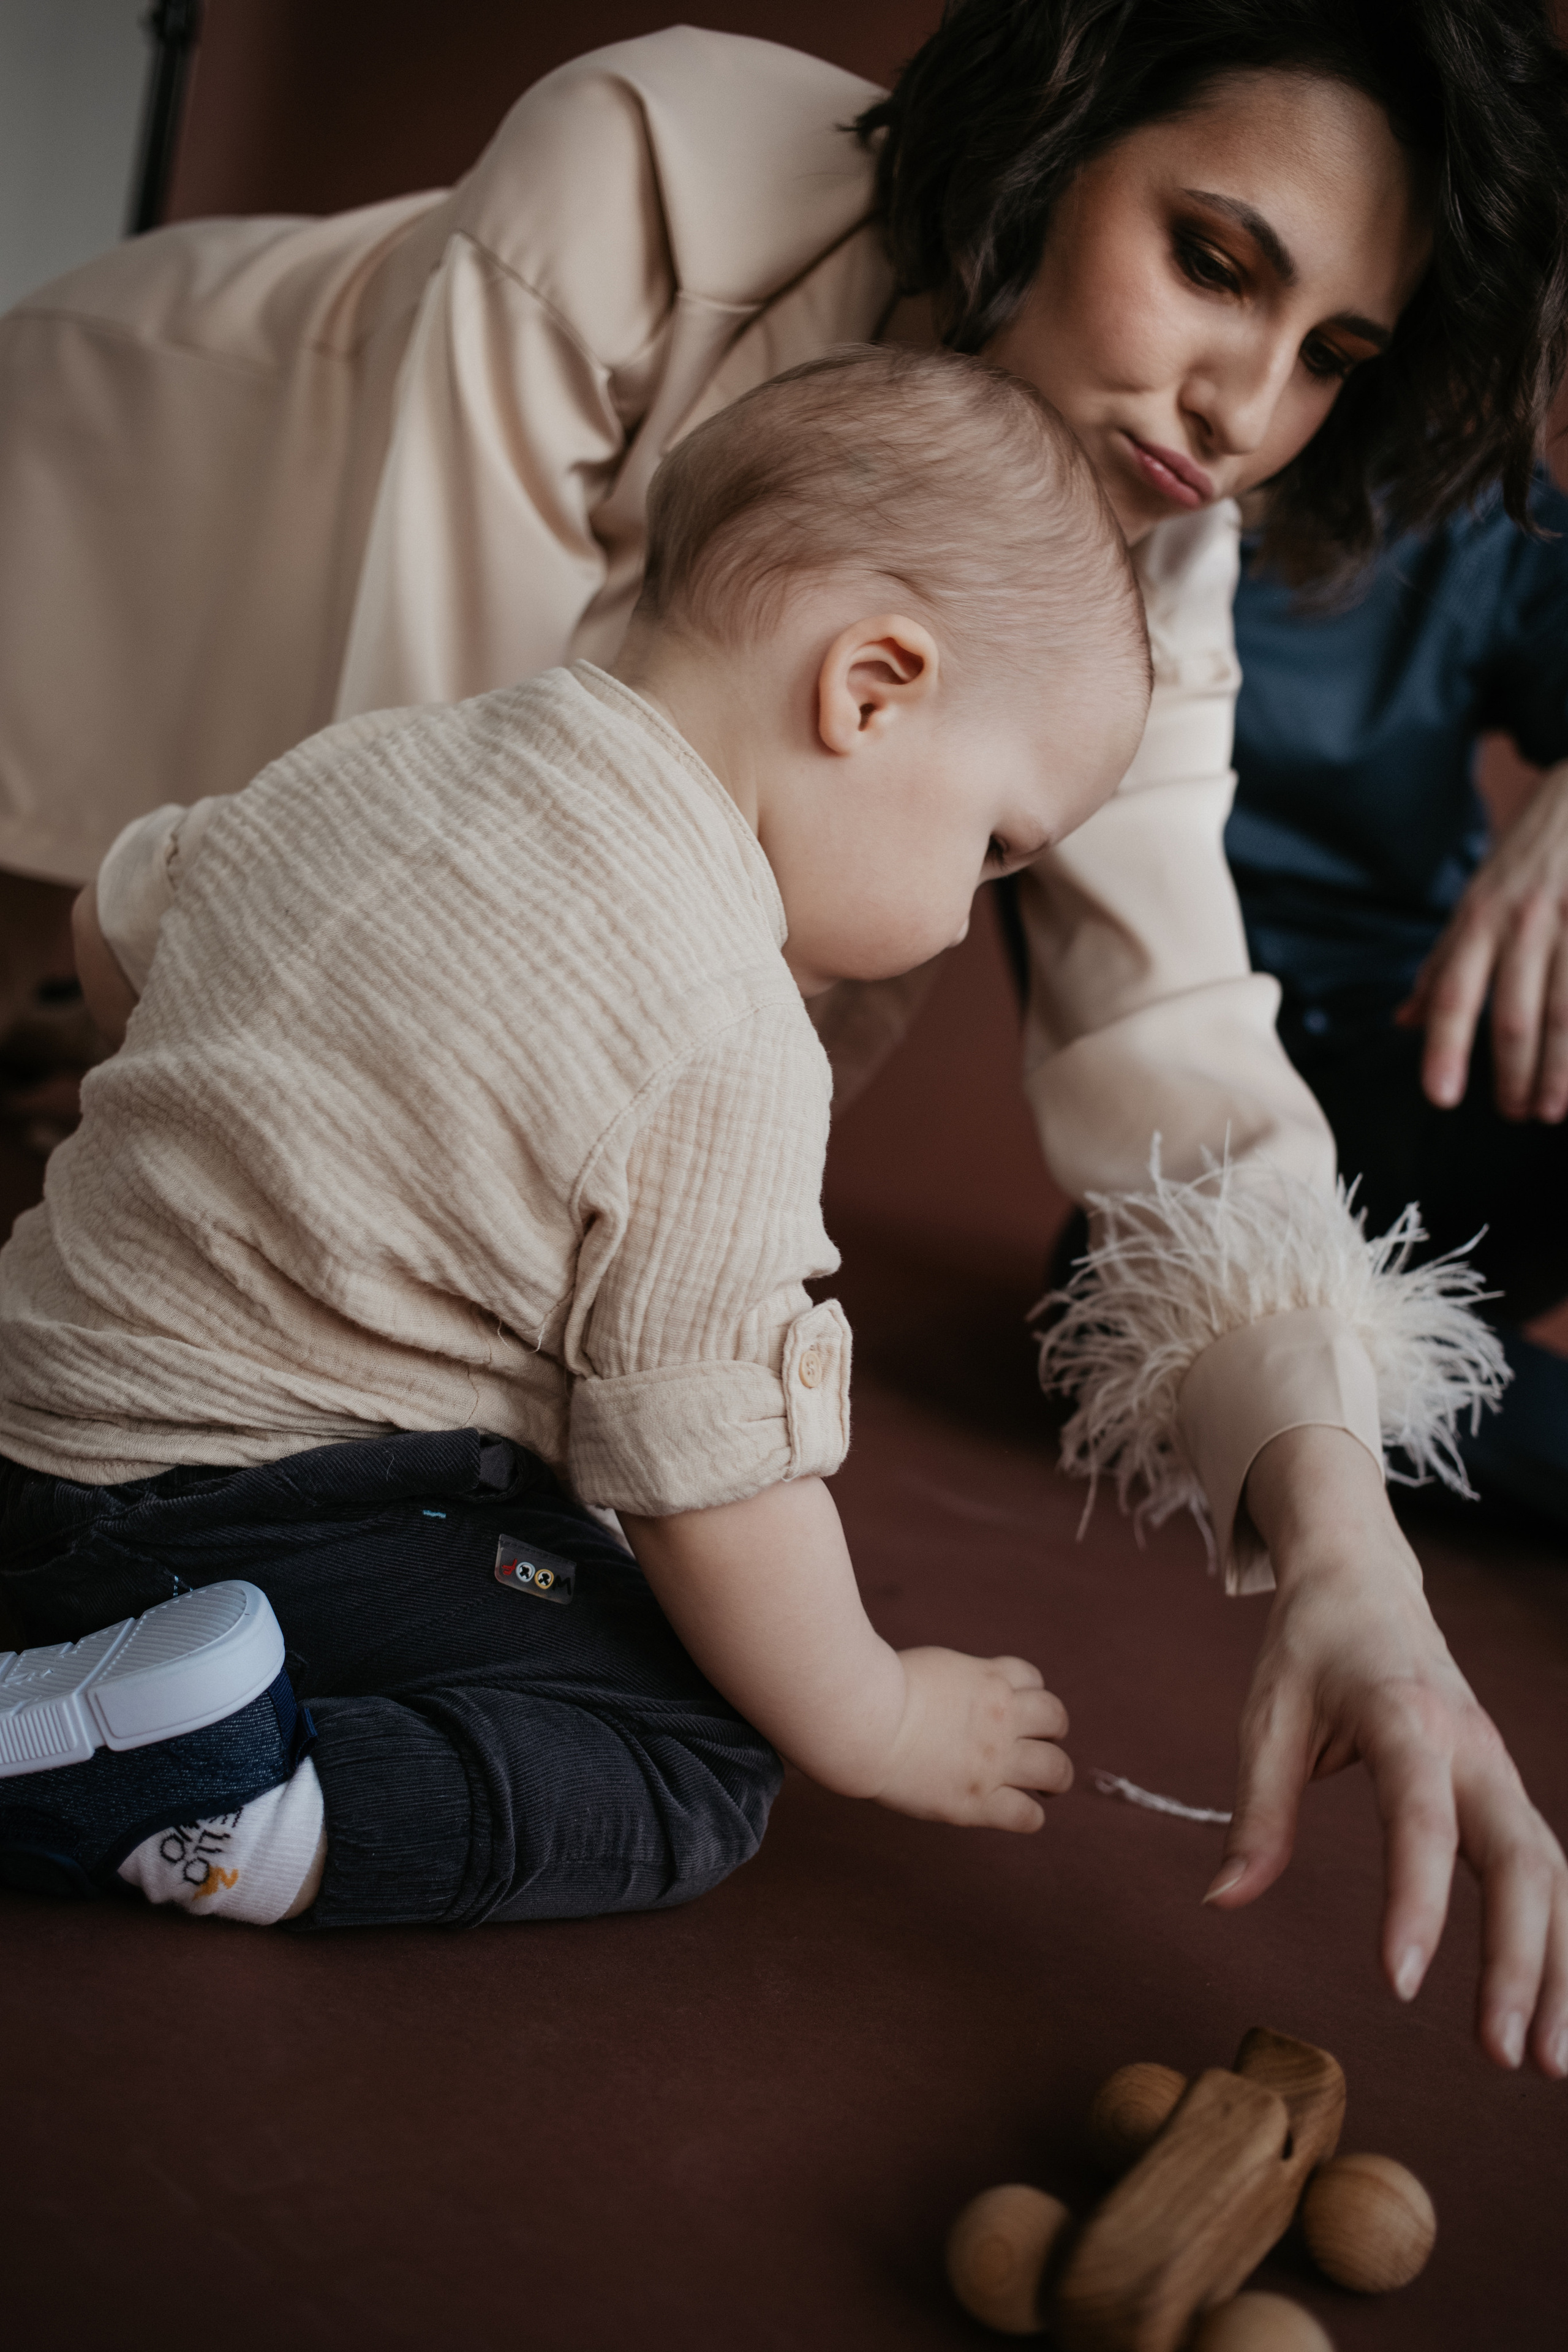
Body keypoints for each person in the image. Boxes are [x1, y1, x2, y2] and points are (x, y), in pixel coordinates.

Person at [1, 0, 1566, 2071]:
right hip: (111, 474)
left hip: (182, 1073)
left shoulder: (1148, 523)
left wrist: (1351, 1556)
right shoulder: (646, 171)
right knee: (679, 1710)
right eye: (1215, 257)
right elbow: (465, 922)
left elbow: (1178, 1041)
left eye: (1334, 358)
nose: (1248, 407)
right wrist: (834, 1684)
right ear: (1067, 121)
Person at [0, 349, 1150, 1931]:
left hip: (28, 1428)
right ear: (871, 689)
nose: (970, 907)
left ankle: (63, 1663)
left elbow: (112, 926)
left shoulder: (381, 754)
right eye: (999, 845)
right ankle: (214, 1801)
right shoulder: (728, 1026)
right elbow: (707, 1494)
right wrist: (876, 1717)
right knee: (707, 1743)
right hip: (237, 1535)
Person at [1228, 474, 1568, 1528]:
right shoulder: (1046, 516)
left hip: (1457, 1069)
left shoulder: (1458, 506)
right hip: (1213, 1152)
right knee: (1131, 1310)